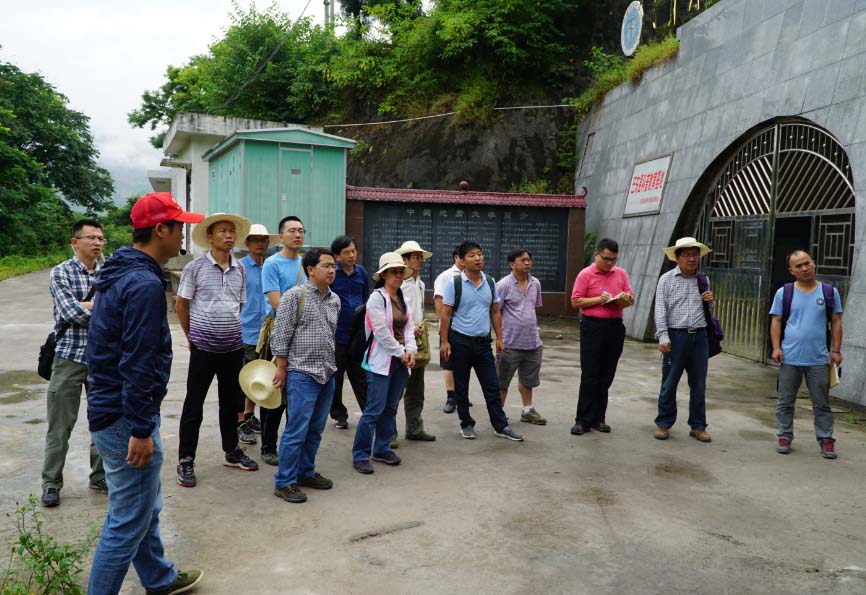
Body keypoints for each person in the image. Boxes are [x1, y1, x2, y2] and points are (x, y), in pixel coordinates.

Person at [86, 192, 203, 594]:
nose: (183, 235)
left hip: (119, 410)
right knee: (126, 521)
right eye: (179, 227)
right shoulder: (142, 284)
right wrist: (139, 428)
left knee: (143, 506)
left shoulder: (121, 271)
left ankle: (159, 578)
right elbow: (137, 362)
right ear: (160, 230)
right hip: (125, 417)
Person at [175, 213, 258, 489]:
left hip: (233, 348)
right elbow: (182, 304)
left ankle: (231, 450)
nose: (229, 235)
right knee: (194, 405)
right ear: (210, 237)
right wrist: (192, 337)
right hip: (203, 349)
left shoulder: (240, 269)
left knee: (231, 404)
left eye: (232, 231)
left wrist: (227, 326)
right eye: (222, 231)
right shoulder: (195, 268)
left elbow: (239, 305)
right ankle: (186, 459)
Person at [40, 219, 107, 508]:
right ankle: (51, 482)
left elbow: (119, 311)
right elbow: (71, 313)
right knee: (60, 426)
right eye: (91, 237)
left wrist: (89, 305)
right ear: (75, 242)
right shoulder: (61, 272)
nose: (97, 243)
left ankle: (100, 476)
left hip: (102, 360)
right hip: (68, 357)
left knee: (103, 422)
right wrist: (101, 308)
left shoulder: (109, 272)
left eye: (100, 238)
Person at [270, 248, 342, 503]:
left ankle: (305, 472)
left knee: (315, 430)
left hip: (327, 373)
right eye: (326, 266)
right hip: (301, 373)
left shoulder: (335, 300)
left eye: (333, 266)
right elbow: (280, 334)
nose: (332, 270)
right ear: (310, 270)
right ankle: (284, 481)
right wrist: (281, 367)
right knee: (296, 431)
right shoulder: (294, 296)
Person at [439, 242, 523, 441]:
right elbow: (446, 313)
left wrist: (500, 338)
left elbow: (495, 311)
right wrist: (444, 341)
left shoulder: (490, 283)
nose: (478, 258)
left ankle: (500, 426)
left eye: (480, 254)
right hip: (460, 341)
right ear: (461, 261)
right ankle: (466, 424)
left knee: (492, 385)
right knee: (461, 386)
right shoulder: (455, 283)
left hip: (484, 344)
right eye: (471, 255)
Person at [769, 250, 843, 459]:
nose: (804, 268)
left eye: (807, 263)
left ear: (814, 263)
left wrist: (836, 350)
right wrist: (776, 348)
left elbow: (836, 321)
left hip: (818, 359)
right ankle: (784, 436)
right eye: (799, 266)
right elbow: (776, 320)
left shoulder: (829, 292)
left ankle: (826, 439)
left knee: (821, 403)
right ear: (792, 271)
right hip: (789, 357)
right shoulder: (784, 293)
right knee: (785, 401)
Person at [352, 252, 417, 474]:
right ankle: (361, 454)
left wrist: (411, 350)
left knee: (390, 408)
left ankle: (382, 448)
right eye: (393, 272)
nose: (398, 276)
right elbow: (381, 333)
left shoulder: (402, 298)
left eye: (401, 272)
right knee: (374, 409)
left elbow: (409, 328)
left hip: (400, 362)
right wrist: (401, 352)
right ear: (383, 275)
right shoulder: (376, 299)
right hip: (381, 362)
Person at [570, 238, 635, 435]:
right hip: (593, 326)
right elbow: (575, 301)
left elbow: (631, 297)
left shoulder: (620, 273)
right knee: (590, 373)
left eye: (613, 259)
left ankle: (599, 418)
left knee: (606, 374)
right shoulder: (586, 274)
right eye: (606, 258)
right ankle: (582, 419)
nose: (609, 263)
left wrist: (625, 298)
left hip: (614, 326)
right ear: (596, 254)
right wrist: (599, 299)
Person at [653, 237, 714, 443]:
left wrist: (710, 302)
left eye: (695, 255)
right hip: (676, 336)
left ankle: (698, 426)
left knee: (699, 384)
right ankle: (663, 423)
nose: (692, 259)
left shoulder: (703, 280)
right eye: (687, 255)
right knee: (669, 382)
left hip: (699, 336)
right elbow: (660, 309)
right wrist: (663, 336)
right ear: (677, 258)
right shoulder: (667, 280)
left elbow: (708, 312)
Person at [258, 215, 307, 465]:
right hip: (278, 333)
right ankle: (268, 446)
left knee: (297, 393)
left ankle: (291, 445)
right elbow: (277, 303)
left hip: (303, 336)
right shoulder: (272, 264)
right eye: (292, 231)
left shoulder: (307, 263)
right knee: (274, 390)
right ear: (281, 237)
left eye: (301, 231)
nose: (297, 235)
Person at [496, 248, 547, 426]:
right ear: (512, 264)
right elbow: (495, 312)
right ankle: (498, 414)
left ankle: (527, 411)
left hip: (532, 342)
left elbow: (534, 308)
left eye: (528, 260)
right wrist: (499, 338)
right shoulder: (503, 285)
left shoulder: (535, 283)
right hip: (510, 343)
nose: (527, 263)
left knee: (528, 380)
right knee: (502, 381)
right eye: (522, 260)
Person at [238, 224, 278, 441]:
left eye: (263, 239)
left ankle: (249, 415)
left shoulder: (271, 266)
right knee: (245, 377)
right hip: (247, 330)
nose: (259, 243)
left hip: (268, 332)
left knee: (260, 376)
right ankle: (241, 422)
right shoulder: (241, 268)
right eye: (255, 239)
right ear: (247, 243)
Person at [396, 240, 436, 442]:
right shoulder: (399, 284)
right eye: (415, 257)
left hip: (417, 341)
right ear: (404, 260)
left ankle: (414, 428)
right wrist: (409, 328)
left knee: (416, 389)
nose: (420, 260)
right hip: (400, 340)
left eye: (421, 257)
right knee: (396, 389)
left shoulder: (420, 284)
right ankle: (388, 434)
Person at [329, 234, 370, 429]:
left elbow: (366, 298)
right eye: (347, 252)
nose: (352, 255)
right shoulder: (332, 273)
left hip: (357, 334)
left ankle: (369, 413)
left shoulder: (361, 272)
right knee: (336, 377)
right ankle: (339, 414)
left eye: (353, 251)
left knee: (360, 376)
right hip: (336, 334)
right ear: (337, 256)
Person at [432, 246, 465, 414]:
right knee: (449, 363)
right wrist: (444, 326)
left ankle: (461, 395)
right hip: (450, 327)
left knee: (463, 363)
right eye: (463, 257)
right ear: (456, 258)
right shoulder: (446, 276)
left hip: (466, 328)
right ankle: (451, 397)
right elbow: (439, 302)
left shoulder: (473, 276)